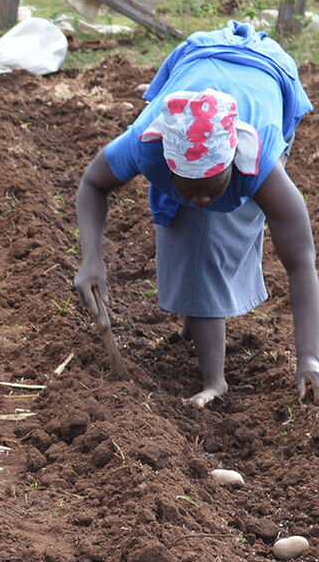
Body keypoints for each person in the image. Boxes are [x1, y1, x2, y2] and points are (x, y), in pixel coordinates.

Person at [74, 21, 319, 408]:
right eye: (187, 187)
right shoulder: (145, 143)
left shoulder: (264, 164)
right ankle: (196, 323)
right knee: (189, 225)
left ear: (235, 160)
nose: (200, 199)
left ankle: (214, 380)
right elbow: (93, 183)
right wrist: (91, 260)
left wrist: (309, 357)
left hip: (270, 73)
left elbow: (301, 261)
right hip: (198, 57)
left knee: (208, 242)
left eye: (212, 186)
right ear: (166, 161)